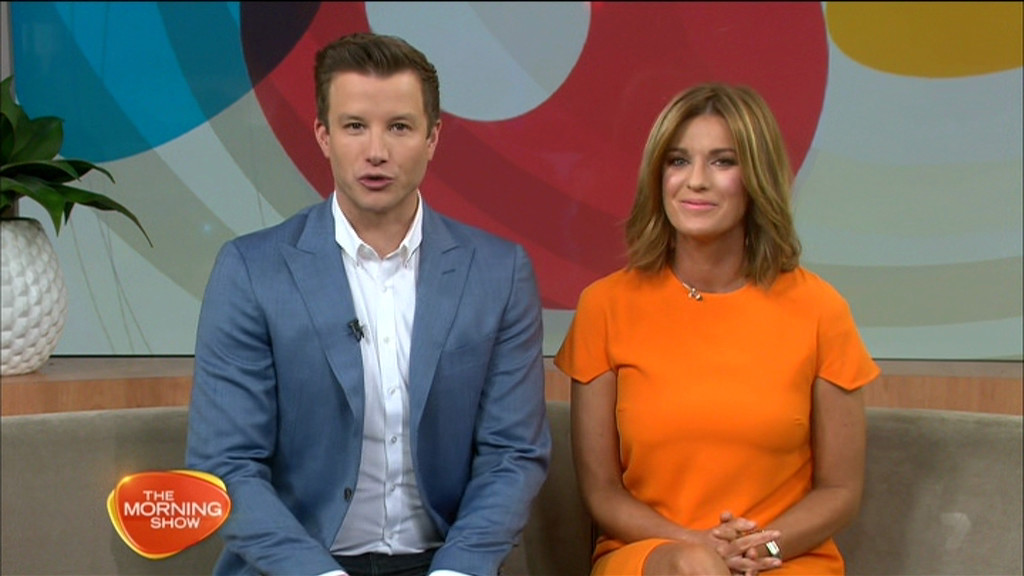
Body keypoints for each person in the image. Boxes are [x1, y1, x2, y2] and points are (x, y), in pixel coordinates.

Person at [186, 32, 551, 576]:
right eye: (355, 126)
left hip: (444, 562)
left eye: (399, 127)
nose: (376, 151)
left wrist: (455, 571)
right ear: (323, 135)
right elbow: (226, 465)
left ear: (432, 138)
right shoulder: (251, 272)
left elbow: (511, 455)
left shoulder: (499, 273)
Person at [554, 83, 880, 576]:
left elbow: (840, 491)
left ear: (757, 177)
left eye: (723, 162)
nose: (696, 181)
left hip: (783, 558)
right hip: (655, 555)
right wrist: (702, 548)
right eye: (678, 161)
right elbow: (602, 492)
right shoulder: (605, 306)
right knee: (694, 567)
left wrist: (759, 551)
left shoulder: (820, 310)